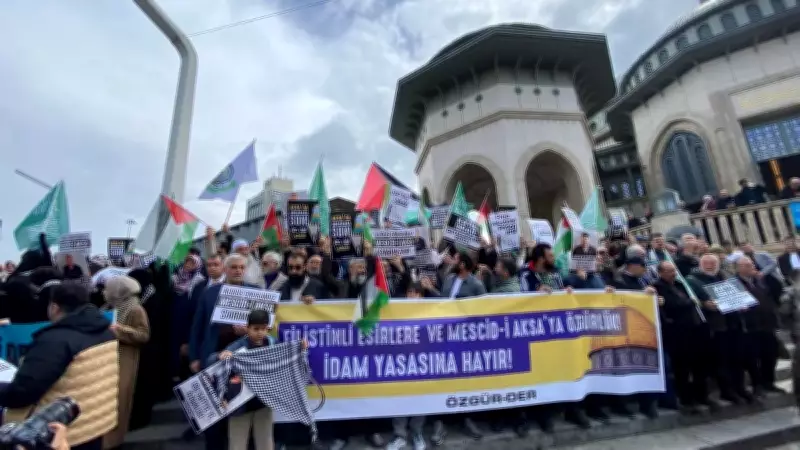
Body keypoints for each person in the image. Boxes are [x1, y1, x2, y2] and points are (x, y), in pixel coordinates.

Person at [0, 282, 118, 450]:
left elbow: (22, 393)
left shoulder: (55, 341)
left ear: (54, 307)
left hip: (60, 433)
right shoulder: (105, 330)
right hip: (94, 422)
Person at [207, 309, 283, 450]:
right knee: (237, 444)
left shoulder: (273, 344)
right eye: (255, 329)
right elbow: (212, 363)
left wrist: (300, 348)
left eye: (263, 328)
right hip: (239, 405)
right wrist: (220, 355)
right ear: (247, 328)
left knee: (266, 443)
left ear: (268, 328)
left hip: (263, 403)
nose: (260, 332)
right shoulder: (237, 346)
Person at [102, 276, 151, 449]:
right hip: (108, 359)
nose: (104, 292)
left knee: (120, 400)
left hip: (125, 359)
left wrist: (120, 330)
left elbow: (143, 335)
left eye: (108, 288)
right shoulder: (110, 307)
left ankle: (115, 441)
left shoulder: (134, 308)